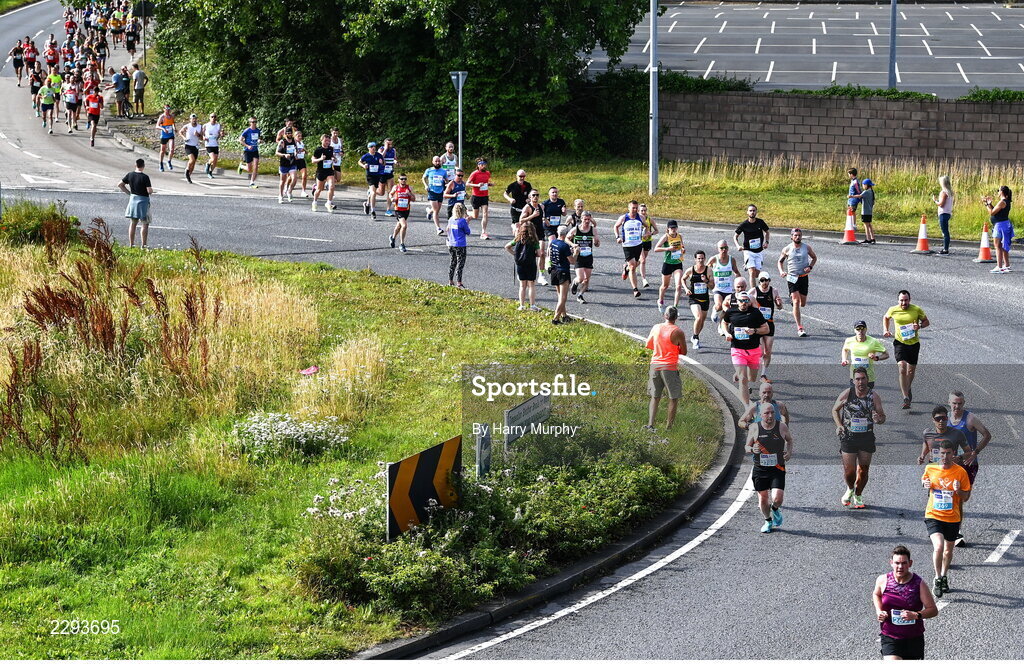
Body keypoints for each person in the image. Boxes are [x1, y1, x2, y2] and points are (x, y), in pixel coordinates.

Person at [921, 440, 971, 598]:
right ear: (938, 454)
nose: (945, 456)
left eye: (948, 453)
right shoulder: (930, 468)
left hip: (952, 517)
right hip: (933, 515)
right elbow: (925, 482)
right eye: (942, 453)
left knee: (948, 551)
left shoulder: (960, 472)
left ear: (953, 454)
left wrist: (958, 491)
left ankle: (943, 576)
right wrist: (925, 483)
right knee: (939, 546)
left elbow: (966, 497)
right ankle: (937, 578)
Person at [831, 367, 886, 509]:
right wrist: (839, 425)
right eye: (857, 379)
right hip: (848, 437)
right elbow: (835, 410)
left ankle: (858, 494)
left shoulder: (874, 396)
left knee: (863, 470)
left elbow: (882, 417)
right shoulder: (847, 394)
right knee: (849, 472)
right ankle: (850, 489)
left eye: (863, 378)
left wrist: (878, 418)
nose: (860, 382)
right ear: (853, 381)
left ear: (868, 379)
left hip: (866, 437)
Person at [872, 545, 938, 661]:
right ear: (891, 563)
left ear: (910, 563)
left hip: (913, 638)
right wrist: (879, 611)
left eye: (904, 563)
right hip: (890, 636)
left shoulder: (919, 584)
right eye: (897, 563)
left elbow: (933, 610)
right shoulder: (883, 580)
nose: (900, 567)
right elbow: (876, 594)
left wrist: (916, 615)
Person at [746, 401, 793, 533]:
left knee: (778, 498)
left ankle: (775, 509)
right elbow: (746, 447)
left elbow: (789, 440)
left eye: (772, 412)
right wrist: (752, 449)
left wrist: (789, 452)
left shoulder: (781, 427)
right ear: (761, 415)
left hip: (777, 468)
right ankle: (768, 520)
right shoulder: (754, 427)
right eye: (767, 413)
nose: (770, 415)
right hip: (760, 469)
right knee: (763, 499)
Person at [882, 290, 929, 409]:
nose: (904, 303)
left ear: (910, 299)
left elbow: (926, 322)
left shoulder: (916, 309)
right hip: (900, 343)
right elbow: (886, 318)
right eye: (901, 300)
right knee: (902, 367)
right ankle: (905, 397)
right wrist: (886, 330)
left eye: (906, 300)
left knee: (911, 372)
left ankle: (907, 387)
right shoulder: (893, 309)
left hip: (913, 344)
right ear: (898, 301)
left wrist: (919, 326)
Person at [721, 292, 769, 406]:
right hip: (737, 350)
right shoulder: (731, 312)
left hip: (753, 350)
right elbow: (724, 322)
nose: (744, 303)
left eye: (746, 301)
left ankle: (738, 373)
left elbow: (766, 329)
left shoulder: (755, 313)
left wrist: (755, 331)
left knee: (752, 378)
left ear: (749, 302)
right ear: (737, 301)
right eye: (741, 301)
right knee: (743, 379)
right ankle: (747, 408)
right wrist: (726, 333)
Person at [645, 306, 688, 430]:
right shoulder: (678, 331)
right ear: (676, 317)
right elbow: (684, 351)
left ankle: (650, 424)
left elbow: (649, 344)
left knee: (655, 396)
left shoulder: (656, 327)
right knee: (673, 397)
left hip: (655, 365)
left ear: (665, 316)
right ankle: (669, 427)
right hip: (669, 367)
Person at [777, 228, 816, 337]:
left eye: (799, 235)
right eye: (795, 235)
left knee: (802, 303)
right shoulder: (787, 249)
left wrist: (810, 267)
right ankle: (800, 327)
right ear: (791, 237)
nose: (797, 237)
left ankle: (793, 301)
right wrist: (781, 271)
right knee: (796, 301)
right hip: (792, 277)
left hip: (803, 277)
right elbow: (780, 262)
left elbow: (814, 258)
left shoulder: (806, 247)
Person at [749, 273, 783, 382]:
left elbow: (780, 307)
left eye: (767, 280)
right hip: (758, 325)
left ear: (769, 280)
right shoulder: (754, 291)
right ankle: (752, 370)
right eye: (762, 280)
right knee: (758, 351)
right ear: (759, 281)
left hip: (769, 324)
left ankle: (763, 375)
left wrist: (778, 303)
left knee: (767, 351)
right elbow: (744, 300)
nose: (765, 282)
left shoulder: (774, 291)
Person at [841, 321, 889, 389]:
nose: (860, 331)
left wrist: (876, 358)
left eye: (862, 328)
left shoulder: (873, 341)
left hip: (868, 377)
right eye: (858, 329)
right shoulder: (849, 341)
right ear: (854, 330)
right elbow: (845, 349)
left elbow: (886, 354)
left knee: (867, 398)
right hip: (855, 377)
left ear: (866, 329)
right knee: (855, 398)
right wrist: (844, 359)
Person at [117, 158, 153, 248]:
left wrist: (129, 193)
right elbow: (149, 190)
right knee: (144, 223)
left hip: (133, 200)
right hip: (143, 201)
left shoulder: (130, 175)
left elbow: (120, 185)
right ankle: (144, 245)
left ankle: (131, 244)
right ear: (143, 166)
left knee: (133, 223)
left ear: (135, 165)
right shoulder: (145, 177)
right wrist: (151, 191)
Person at [506, 222, 541, 311]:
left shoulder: (518, 238)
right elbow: (539, 254)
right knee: (531, 285)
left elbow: (507, 247)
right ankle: (532, 305)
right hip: (531, 264)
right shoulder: (534, 240)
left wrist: (515, 254)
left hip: (520, 264)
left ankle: (522, 305)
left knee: (522, 286)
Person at [614, 201, 646, 299]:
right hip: (627, 245)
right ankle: (635, 289)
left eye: (636, 208)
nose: (635, 210)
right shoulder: (624, 218)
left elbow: (647, 225)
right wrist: (617, 237)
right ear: (629, 208)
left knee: (636, 263)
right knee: (633, 267)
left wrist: (645, 233)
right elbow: (616, 226)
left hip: (638, 244)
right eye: (633, 208)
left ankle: (626, 268)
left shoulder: (641, 217)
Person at [653, 220, 685, 313]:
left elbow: (682, 246)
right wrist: (668, 248)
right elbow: (656, 249)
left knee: (678, 286)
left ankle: (675, 308)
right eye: (671, 228)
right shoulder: (666, 237)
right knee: (665, 286)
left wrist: (683, 249)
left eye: (675, 227)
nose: (673, 229)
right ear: (668, 228)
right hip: (667, 264)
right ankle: (660, 301)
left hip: (678, 263)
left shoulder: (680, 236)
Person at [568, 211, 599, 304]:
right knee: (581, 278)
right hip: (579, 257)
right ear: (581, 219)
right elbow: (566, 238)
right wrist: (573, 245)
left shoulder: (593, 230)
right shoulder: (576, 229)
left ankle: (580, 295)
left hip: (588, 256)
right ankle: (575, 282)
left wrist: (596, 242)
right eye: (585, 219)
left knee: (587, 280)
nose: (587, 221)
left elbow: (597, 243)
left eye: (589, 219)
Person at [548, 225, 577, 325]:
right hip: (563, 271)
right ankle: (555, 318)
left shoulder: (553, 242)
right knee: (563, 297)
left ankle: (564, 316)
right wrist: (576, 253)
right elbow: (572, 261)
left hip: (554, 270)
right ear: (565, 234)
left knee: (560, 295)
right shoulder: (564, 246)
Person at [682, 250, 711, 349]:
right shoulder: (691, 270)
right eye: (699, 258)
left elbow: (712, 286)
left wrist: (706, 281)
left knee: (701, 321)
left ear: (705, 259)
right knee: (698, 317)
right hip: (694, 299)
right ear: (695, 259)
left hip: (705, 299)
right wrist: (686, 289)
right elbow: (683, 279)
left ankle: (696, 335)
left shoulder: (709, 270)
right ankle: (695, 338)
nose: (701, 260)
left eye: (702, 258)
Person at [735, 204, 771, 284]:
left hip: (759, 251)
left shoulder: (760, 222)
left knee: (756, 274)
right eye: (750, 211)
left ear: (756, 212)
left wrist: (766, 242)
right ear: (747, 212)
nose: (752, 212)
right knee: (751, 272)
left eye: (754, 210)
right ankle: (754, 293)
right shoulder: (744, 224)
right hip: (748, 251)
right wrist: (738, 246)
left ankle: (746, 265)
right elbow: (735, 236)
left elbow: (767, 232)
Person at [982, 185, 1013, 273]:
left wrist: (987, 204)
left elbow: (992, 213)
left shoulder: (1002, 202)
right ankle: (1007, 265)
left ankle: (999, 266)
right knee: (1004, 246)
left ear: (1001, 192)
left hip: (1000, 226)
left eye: (998, 190)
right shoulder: (1005, 201)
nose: (997, 192)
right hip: (1004, 224)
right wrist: (989, 204)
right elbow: (996, 211)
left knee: (997, 246)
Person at [708, 240, 740, 324]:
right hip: (717, 288)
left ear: (728, 248)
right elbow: (706, 270)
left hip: (728, 289)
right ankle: (714, 310)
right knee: (719, 306)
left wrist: (739, 282)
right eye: (721, 248)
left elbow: (736, 272)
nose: (724, 250)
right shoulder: (714, 259)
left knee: (728, 309)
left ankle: (721, 325)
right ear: (718, 249)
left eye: (725, 248)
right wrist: (708, 281)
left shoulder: (731, 259)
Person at [519, 191, 547, 285]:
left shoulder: (541, 207)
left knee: (542, 253)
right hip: (529, 233)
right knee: (530, 254)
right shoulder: (527, 207)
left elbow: (543, 217)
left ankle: (541, 275)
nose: (535, 197)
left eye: (537, 195)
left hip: (539, 232)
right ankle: (525, 273)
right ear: (530, 197)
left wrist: (546, 220)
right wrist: (532, 215)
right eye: (533, 195)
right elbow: (521, 220)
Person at [388, 173, 416, 253]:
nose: (403, 180)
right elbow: (390, 193)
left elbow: (414, 199)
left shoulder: (409, 188)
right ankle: (402, 244)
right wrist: (392, 198)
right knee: (404, 225)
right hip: (398, 210)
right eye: (402, 179)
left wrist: (409, 194)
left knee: (399, 226)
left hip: (406, 210)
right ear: (399, 180)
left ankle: (393, 237)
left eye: (405, 179)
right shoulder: (396, 187)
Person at [446, 202, 472, 288]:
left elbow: (448, 229)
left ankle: (450, 280)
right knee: (460, 263)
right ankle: (459, 282)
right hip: (460, 244)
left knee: (452, 262)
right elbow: (468, 232)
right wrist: (467, 222)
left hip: (451, 243)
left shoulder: (451, 219)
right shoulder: (462, 221)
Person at [466, 159, 492, 239]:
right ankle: (467, 214)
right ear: (478, 165)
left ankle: (483, 232)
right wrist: (477, 185)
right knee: (475, 216)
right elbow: (467, 183)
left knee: (485, 214)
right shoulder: (474, 173)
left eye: (484, 164)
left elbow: (485, 183)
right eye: (481, 164)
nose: (483, 166)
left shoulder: (487, 173)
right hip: (476, 196)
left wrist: (489, 184)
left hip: (484, 196)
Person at [422, 155, 448, 235]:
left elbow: (447, 180)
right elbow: (423, 178)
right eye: (436, 161)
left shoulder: (443, 171)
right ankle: (438, 228)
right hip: (432, 191)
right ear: (433, 162)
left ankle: (429, 211)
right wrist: (426, 185)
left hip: (440, 191)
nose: (437, 163)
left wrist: (446, 183)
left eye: (438, 161)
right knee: (436, 211)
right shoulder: (429, 170)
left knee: (436, 209)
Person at [541, 186, 567, 265]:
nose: (555, 194)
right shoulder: (545, 203)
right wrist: (545, 220)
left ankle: (556, 258)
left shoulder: (561, 202)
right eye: (553, 192)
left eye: (556, 192)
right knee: (552, 241)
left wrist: (564, 211)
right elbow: (540, 214)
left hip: (557, 226)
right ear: (549, 194)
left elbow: (564, 214)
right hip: (548, 226)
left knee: (558, 242)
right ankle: (548, 260)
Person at [358, 141, 386, 218]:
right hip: (370, 176)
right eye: (372, 147)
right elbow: (359, 162)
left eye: (374, 147)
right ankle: (373, 211)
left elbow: (384, 163)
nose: (373, 148)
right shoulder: (366, 156)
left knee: (372, 193)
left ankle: (367, 204)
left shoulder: (379, 155)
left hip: (377, 175)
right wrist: (363, 166)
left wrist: (382, 162)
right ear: (369, 148)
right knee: (373, 193)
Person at [311, 134, 337, 213]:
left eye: (328, 141)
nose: (327, 142)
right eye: (325, 141)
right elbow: (313, 161)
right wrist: (321, 159)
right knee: (319, 189)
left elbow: (333, 157)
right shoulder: (318, 150)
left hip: (329, 171)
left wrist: (334, 159)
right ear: (321, 140)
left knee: (332, 186)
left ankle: (328, 203)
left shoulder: (331, 149)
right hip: (321, 172)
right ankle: (314, 202)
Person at [636, 203, 659, 289]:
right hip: (638, 242)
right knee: (642, 260)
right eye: (642, 210)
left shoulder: (650, 219)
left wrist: (651, 233)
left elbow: (657, 230)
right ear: (638, 211)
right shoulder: (636, 220)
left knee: (641, 260)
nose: (643, 212)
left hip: (647, 241)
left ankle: (627, 268)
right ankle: (644, 279)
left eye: (645, 210)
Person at [275, 126, 298, 203]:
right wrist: (284, 155)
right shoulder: (282, 142)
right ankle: (280, 195)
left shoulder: (294, 141)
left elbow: (296, 149)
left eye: (290, 133)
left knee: (294, 178)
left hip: (292, 162)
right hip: (284, 163)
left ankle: (289, 191)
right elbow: (277, 153)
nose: (289, 134)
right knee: (282, 181)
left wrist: (296, 154)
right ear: (285, 134)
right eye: (287, 133)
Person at [932, 175, 954, 255]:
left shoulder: (943, 192)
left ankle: (945, 249)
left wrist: (935, 201)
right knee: (945, 231)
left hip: (943, 213)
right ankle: (946, 247)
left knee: (945, 232)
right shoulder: (950, 192)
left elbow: (941, 204)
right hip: (948, 213)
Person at [179, 113, 204, 184]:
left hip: (195, 146)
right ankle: (187, 170)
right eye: (193, 119)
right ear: (190, 120)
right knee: (192, 160)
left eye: (195, 119)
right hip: (188, 145)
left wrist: (198, 135)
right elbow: (180, 132)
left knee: (193, 163)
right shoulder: (187, 126)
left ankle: (188, 176)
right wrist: (184, 138)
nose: (194, 120)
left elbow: (202, 138)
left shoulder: (199, 127)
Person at [239, 117, 261, 188]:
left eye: (255, 122)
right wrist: (247, 146)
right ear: (250, 123)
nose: (254, 123)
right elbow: (240, 140)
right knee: (249, 169)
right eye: (252, 122)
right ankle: (241, 166)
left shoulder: (257, 130)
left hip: (255, 150)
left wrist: (259, 141)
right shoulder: (247, 131)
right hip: (248, 151)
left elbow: (258, 138)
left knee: (256, 166)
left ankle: (252, 182)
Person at [380, 138, 398, 216]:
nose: (390, 145)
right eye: (388, 144)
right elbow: (380, 158)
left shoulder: (393, 150)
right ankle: (371, 192)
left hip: (390, 172)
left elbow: (394, 159)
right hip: (381, 172)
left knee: (390, 191)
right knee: (381, 192)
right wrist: (385, 149)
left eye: (391, 144)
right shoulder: (381, 149)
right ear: (384, 143)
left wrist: (395, 161)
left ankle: (388, 210)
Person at [856, 178, 877, 244]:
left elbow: (860, 196)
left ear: (866, 185)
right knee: (869, 225)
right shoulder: (871, 192)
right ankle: (872, 238)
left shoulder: (866, 192)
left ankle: (868, 239)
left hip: (865, 211)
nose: (862, 186)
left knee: (866, 225)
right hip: (869, 211)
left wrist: (851, 196)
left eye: (863, 185)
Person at [156, 105, 175, 171]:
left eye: (169, 109)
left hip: (170, 135)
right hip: (164, 135)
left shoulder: (171, 116)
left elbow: (173, 124)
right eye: (166, 109)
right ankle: (161, 163)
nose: (167, 110)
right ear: (164, 109)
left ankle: (169, 161)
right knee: (162, 151)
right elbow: (157, 126)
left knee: (172, 149)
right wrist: (163, 129)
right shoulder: (162, 117)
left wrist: (175, 128)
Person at [202, 112, 221, 179]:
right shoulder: (206, 125)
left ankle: (210, 172)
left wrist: (221, 135)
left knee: (215, 161)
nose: (213, 118)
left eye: (214, 117)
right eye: (212, 117)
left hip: (215, 144)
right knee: (212, 158)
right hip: (208, 144)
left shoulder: (218, 125)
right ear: (209, 118)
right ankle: (208, 164)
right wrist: (204, 137)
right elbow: (202, 134)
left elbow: (219, 134)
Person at [292, 130, 308, 197]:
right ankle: (287, 188)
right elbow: (293, 151)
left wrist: (305, 151)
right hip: (295, 161)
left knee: (304, 176)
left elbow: (302, 150)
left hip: (301, 160)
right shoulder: (293, 143)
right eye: (298, 136)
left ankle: (303, 191)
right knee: (292, 177)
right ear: (294, 136)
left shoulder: (301, 143)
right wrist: (298, 152)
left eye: (301, 136)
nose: (300, 137)